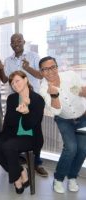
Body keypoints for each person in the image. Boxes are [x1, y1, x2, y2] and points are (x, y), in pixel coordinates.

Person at [0, 33, 48, 177]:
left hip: (33, 99)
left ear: (24, 42)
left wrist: (28, 67)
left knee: (34, 129)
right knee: (14, 127)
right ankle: (16, 157)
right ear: (11, 44)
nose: (16, 43)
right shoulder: (8, 60)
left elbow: (40, 75)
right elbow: (5, 79)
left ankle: (37, 162)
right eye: (13, 41)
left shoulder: (33, 55)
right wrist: (1, 68)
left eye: (18, 40)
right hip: (15, 99)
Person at [0, 70, 45, 194]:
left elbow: (28, 126)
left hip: (30, 136)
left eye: (17, 81)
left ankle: (16, 181)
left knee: (9, 146)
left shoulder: (38, 100)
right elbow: (8, 121)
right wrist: (1, 136)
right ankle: (20, 170)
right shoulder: (12, 98)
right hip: (11, 133)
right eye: (12, 83)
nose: (14, 85)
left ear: (26, 80)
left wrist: (26, 113)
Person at [39, 56, 86, 194]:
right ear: (41, 72)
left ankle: (72, 177)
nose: (50, 71)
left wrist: (80, 91)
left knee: (83, 149)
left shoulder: (70, 76)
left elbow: (83, 91)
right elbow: (56, 111)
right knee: (71, 148)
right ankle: (58, 179)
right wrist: (54, 95)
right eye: (45, 69)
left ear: (57, 67)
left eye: (53, 67)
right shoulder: (43, 89)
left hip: (83, 117)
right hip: (63, 120)